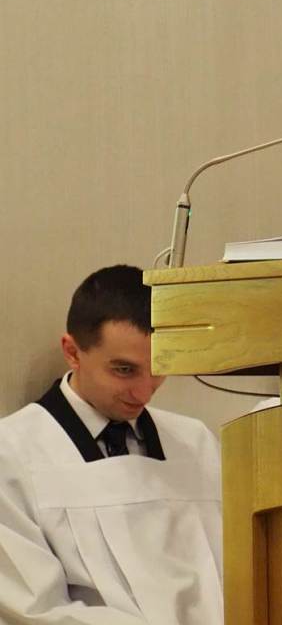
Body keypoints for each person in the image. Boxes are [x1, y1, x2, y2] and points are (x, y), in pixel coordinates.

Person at [0, 265, 223, 623]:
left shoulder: (195, 443)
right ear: (72, 352)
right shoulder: (11, 454)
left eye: (159, 368)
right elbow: (33, 611)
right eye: (124, 370)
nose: (145, 392)